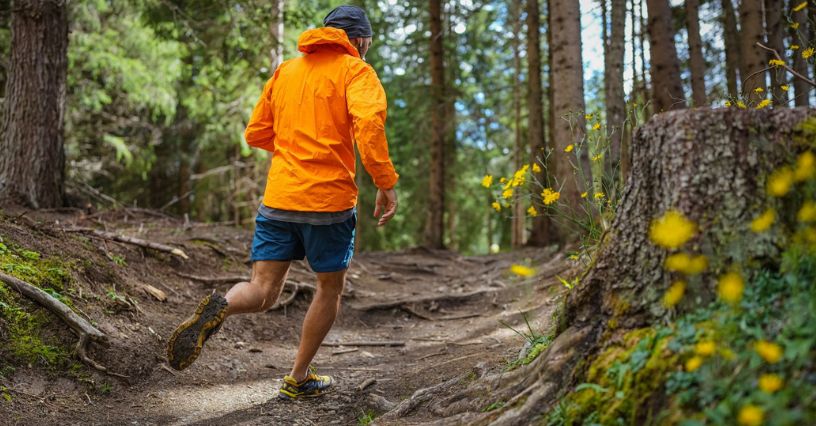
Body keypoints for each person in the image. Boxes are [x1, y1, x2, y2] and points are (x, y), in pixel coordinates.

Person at [166, 5, 399, 401]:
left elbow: (256, 133)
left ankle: (221, 305)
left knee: (261, 290)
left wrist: (294, 150)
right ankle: (298, 377)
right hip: (328, 203)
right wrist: (385, 181)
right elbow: (369, 126)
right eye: (369, 43)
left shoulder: (286, 71)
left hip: (279, 198)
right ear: (358, 40)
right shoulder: (357, 71)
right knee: (329, 288)